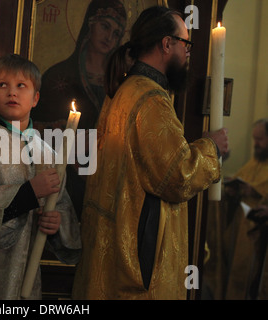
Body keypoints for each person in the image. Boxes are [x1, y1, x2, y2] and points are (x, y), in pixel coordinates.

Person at [72, 6, 229, 300]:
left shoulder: (123, 89)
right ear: (166, 43)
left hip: (111, 257)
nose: (188, 53)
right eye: (185, 44)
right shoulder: (152, 100)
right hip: (138, 272)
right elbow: (177, 175)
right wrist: (211, 147)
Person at [0, 54, 81, 300]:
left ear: (36, 98)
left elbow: (61, 208)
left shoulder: (50, 154)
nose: (12, 92)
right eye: (3, 85)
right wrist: (28, 193)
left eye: (21, 85)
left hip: (27, 274)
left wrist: (55, 225)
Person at [32, 0, 127, 218]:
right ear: (89, 24)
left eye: (116, 33)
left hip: (106, 181)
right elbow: (33, 133)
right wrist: (72, 140)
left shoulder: (120, 84)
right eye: (105, 26)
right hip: (63, 181)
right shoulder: (58, 76)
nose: (109, 37)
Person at [203, 119, 268, 300]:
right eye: (254, 139)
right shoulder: (254, 163)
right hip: (240, 232)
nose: (256, 144)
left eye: (260, 139)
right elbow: (240, 181)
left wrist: (253, 190)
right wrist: (233, 190)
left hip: (257, 238)